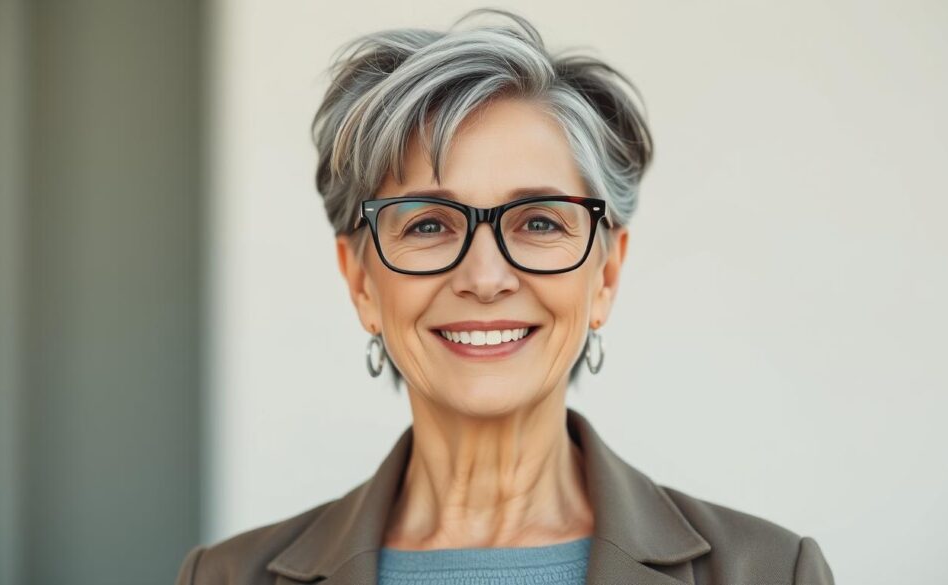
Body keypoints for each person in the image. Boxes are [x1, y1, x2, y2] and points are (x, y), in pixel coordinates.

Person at [174, 8, 835, 585]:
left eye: (540, 221)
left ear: (605, 275)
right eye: (429, 223)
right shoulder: (228, 577)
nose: (486, 278)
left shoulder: (772, 572)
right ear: (361, 281)